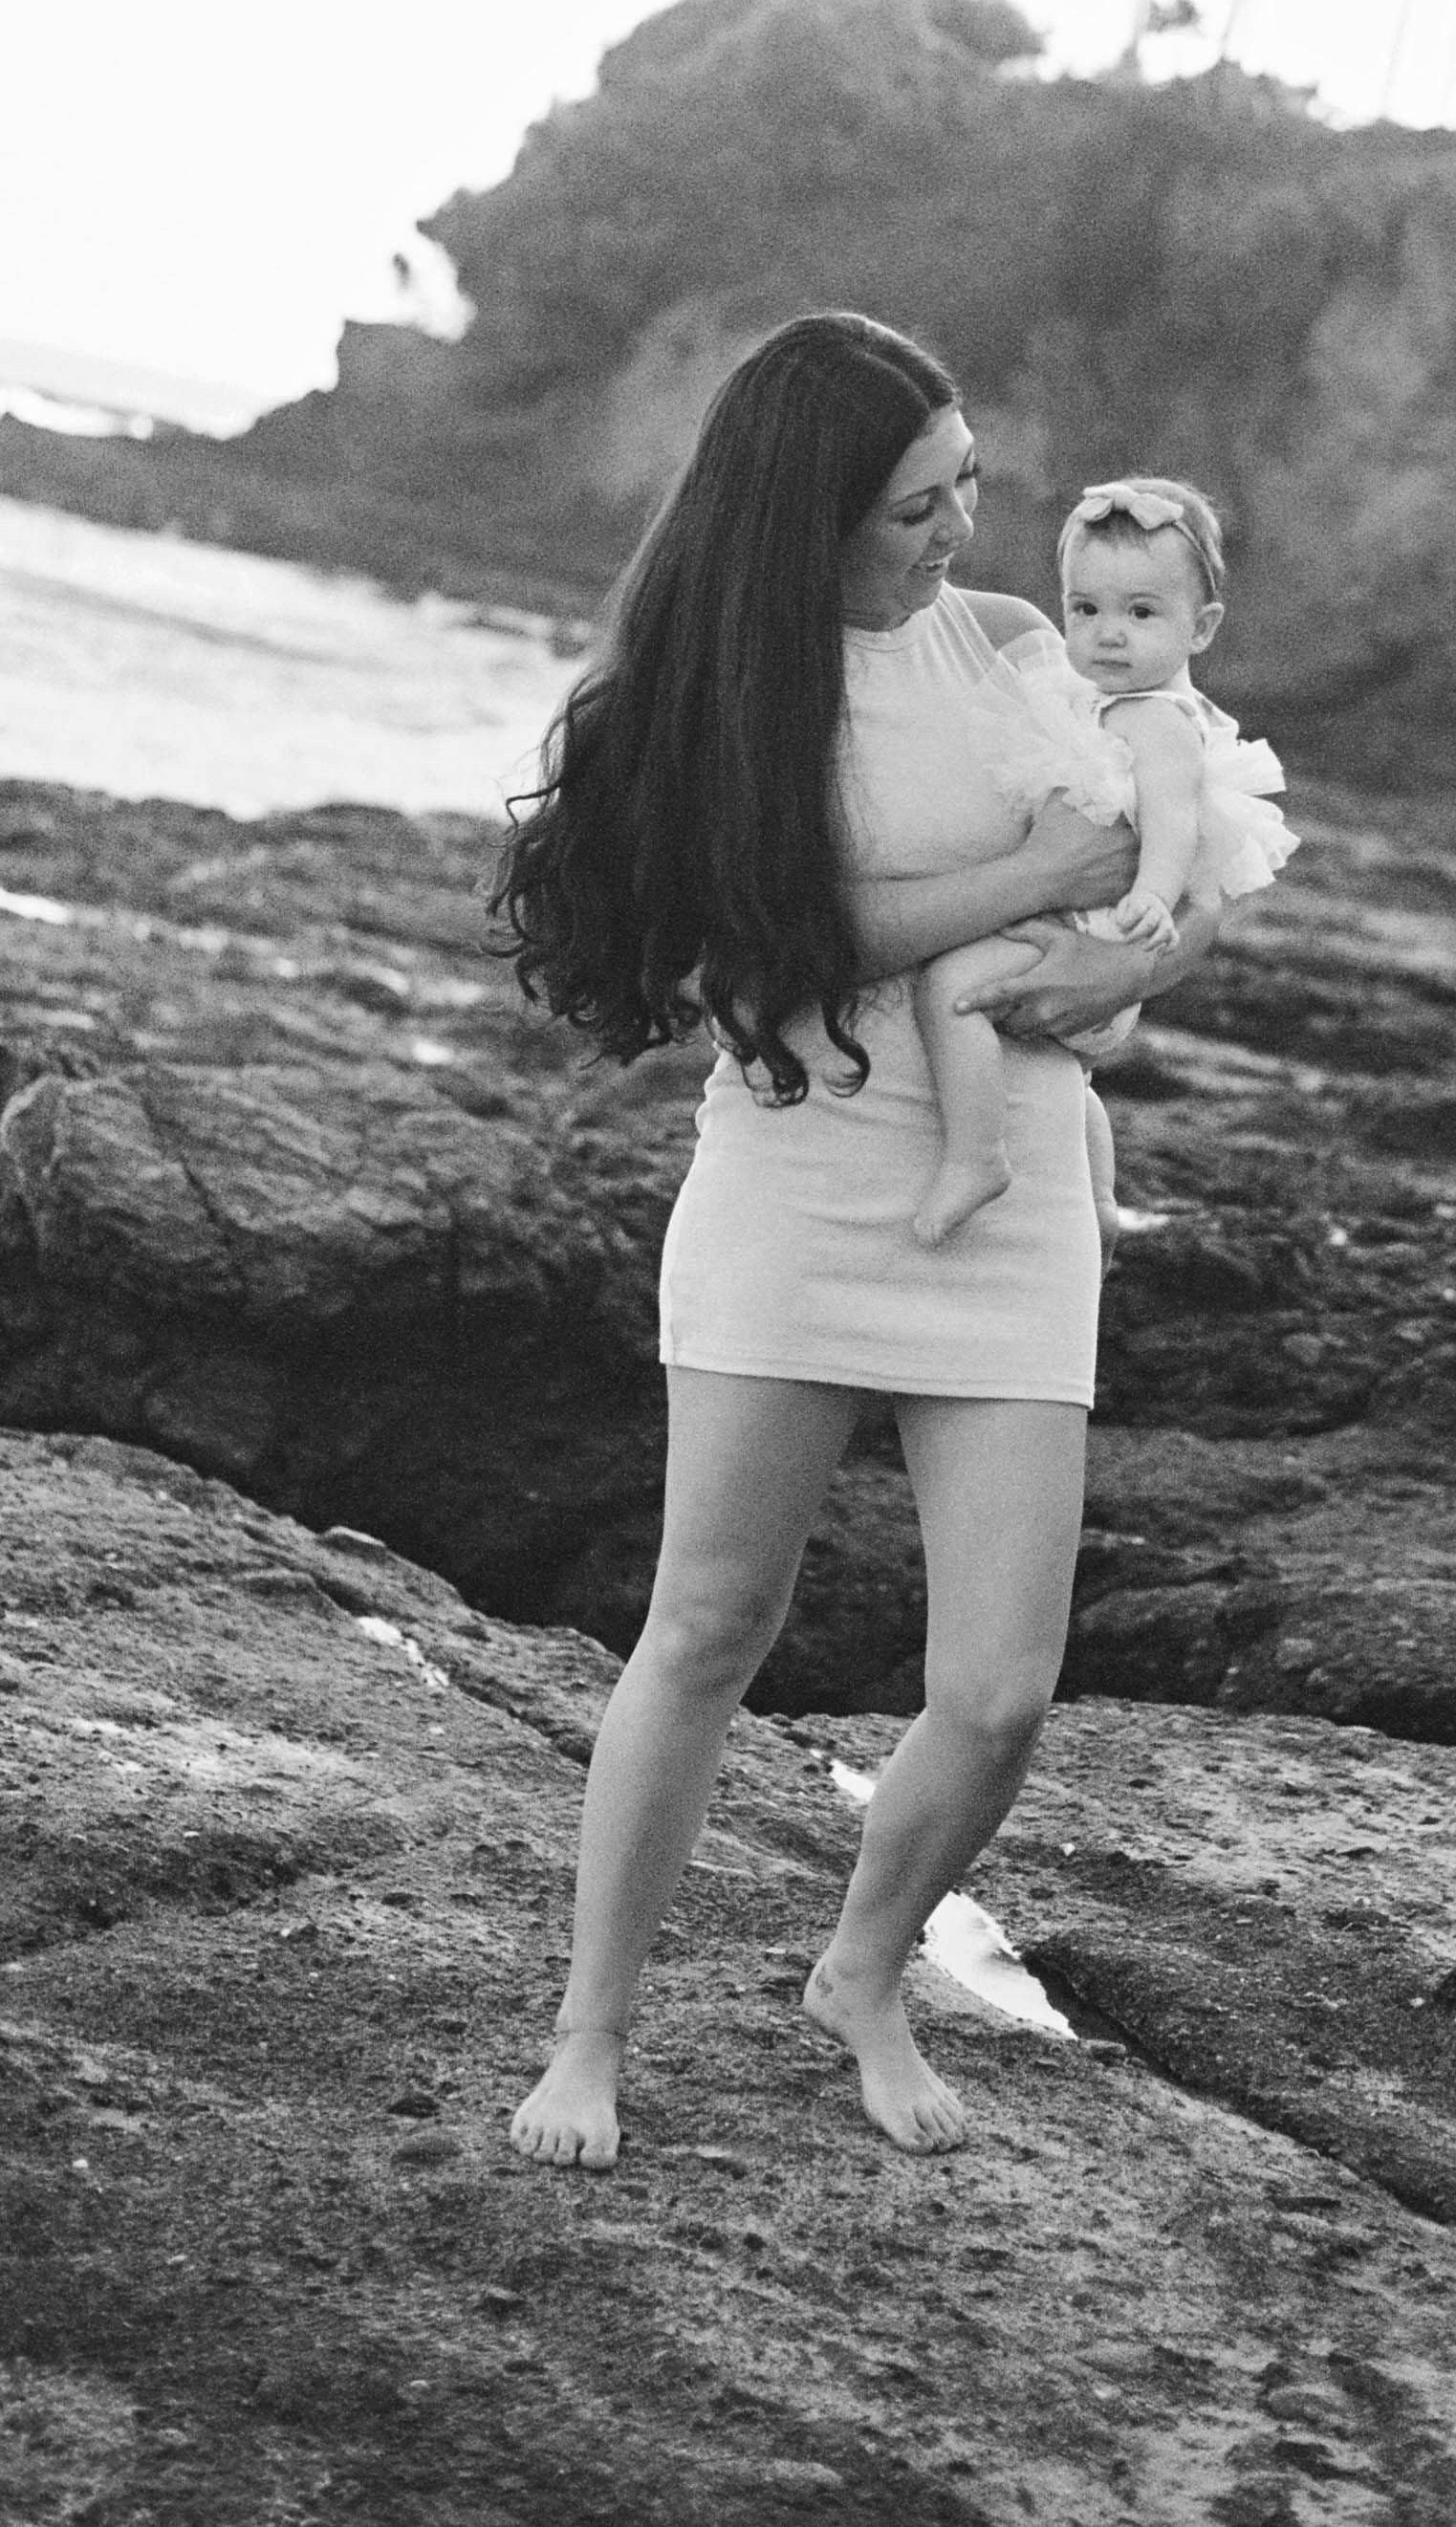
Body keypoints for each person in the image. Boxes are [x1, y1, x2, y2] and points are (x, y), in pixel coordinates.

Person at [495, 312, 1214, 2165]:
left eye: (969, 483)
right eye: (914, 503)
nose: (957, 530)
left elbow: (1119, 902)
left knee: (997, 1690)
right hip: (799, 1181)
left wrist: (1111, 956)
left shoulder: (1018, 648)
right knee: (707, 1624)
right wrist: (1029, 884)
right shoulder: (717, 702)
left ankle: (862, 1964)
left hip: (1020, 1188)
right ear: (805, 515)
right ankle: (589, 2033)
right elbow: (772, 938)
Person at [909, 475, 1295, 1251]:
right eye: (1084, 610)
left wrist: (1151, 898)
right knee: (1070, 1077)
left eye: (1141, 613)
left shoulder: (1158, 722)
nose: (1106, 634)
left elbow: (1177, 819)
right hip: (1087, 939)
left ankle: (976, 1156)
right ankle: (1098, 1199)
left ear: (1202, 627)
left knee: (949, 986)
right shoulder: (1108, 704)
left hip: (1102, 935)